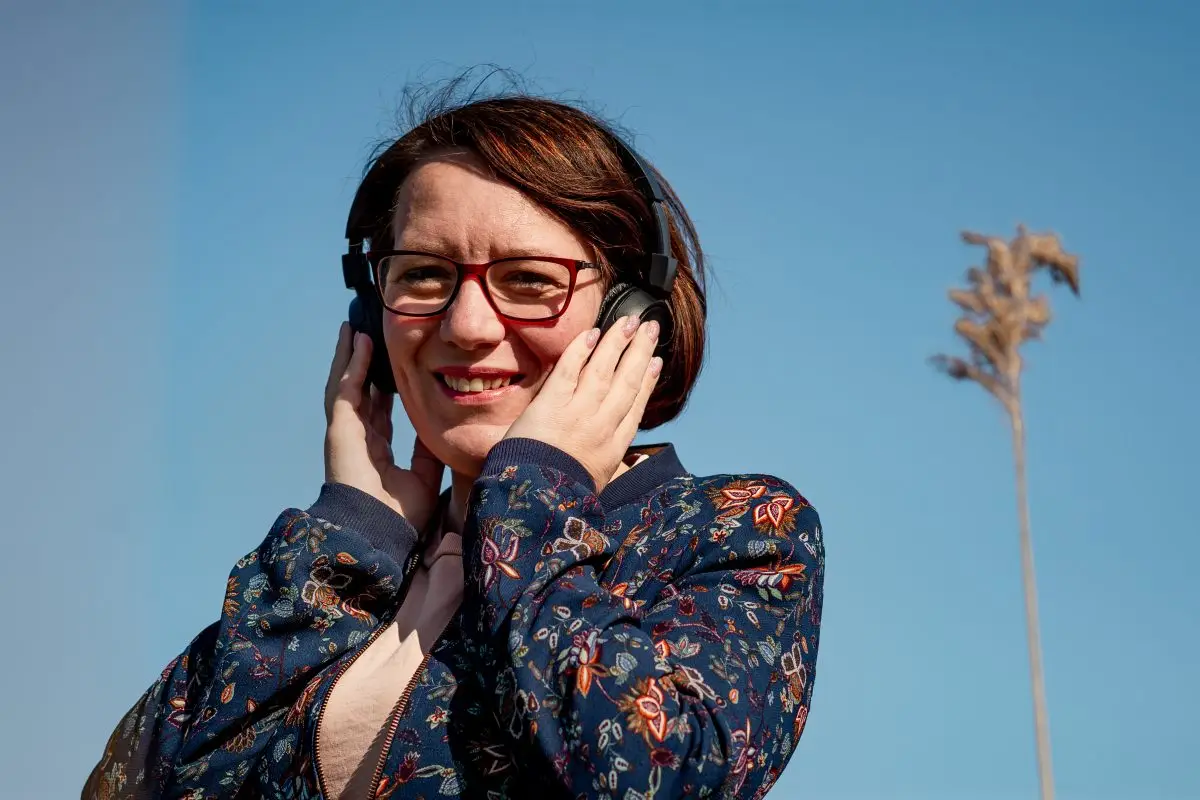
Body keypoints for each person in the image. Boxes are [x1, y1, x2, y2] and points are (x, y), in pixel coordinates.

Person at [83, 88, 825, 800]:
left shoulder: (736, 532)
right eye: (424, 274)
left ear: (633, 314)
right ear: (371, 311)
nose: (467, 326)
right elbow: (127, 786)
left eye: (529, 279)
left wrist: (533, 496)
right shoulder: (353, 568)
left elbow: (651, 777)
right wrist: (347, 540)